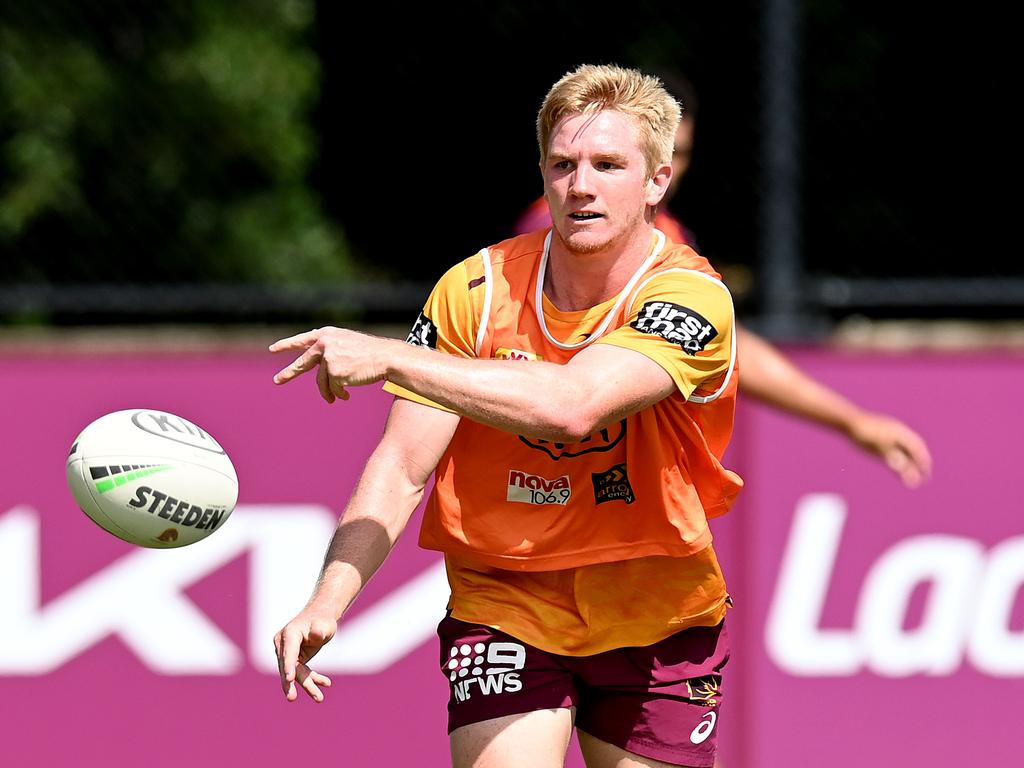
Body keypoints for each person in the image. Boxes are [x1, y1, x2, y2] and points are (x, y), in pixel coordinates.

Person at [271, 64, 743, 768]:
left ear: (656, 182)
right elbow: (402, 466)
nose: (581, 185)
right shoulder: (474, 289)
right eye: (563, 164)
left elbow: (574, 407)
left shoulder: (691, 297)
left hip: (657, 604)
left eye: (609, 165)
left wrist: (393, 358)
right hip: (506, 595)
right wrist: (328, 597)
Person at [513, 70, 932, 488]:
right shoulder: (556, 229)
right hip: (541, 483)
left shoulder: (667, 243)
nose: (669, 170)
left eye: (679, 153)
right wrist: (850, 421)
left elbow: (726, 340)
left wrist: (852, 421)